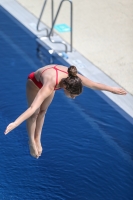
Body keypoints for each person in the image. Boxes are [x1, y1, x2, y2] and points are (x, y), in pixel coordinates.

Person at [4, 64, 127, 158]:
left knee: (43, 112)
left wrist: (111, 89)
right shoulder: (50, 85)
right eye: (73, 95)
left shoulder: (74, 79)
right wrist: (15, 123)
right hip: (35, 83)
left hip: (51, 81)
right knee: (35, 113)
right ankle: (31, 141)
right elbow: (31, 108)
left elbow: (93, 84)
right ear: (67, 88)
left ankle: (38, 139)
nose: (73, 98)